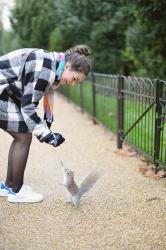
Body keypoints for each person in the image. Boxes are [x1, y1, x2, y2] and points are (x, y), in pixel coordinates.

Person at [0, 44, 92, 203]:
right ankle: (18, 191)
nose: (73, 83)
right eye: (75, 78)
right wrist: (46, 135)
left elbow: (47, 90)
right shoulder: (47, 68)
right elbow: (28, 107)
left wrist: (48, 119)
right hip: (3, 91)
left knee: (22, 135)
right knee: (23, 137)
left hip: (7, 92)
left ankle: (9, 186)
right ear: (68, 66)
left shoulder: (54, 64)